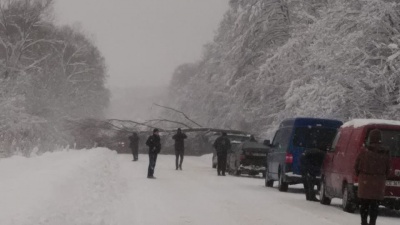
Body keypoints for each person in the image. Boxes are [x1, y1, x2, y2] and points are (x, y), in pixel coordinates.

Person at [355, 129, 390, 225]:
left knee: (364, 205)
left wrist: (360, 175)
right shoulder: (385, 153)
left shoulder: (364, 152)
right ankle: (372, 222)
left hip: (365, 182)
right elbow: (388, 169)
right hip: (378, 183)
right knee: (375, 206)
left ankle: (364, 222)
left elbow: (356, 166)